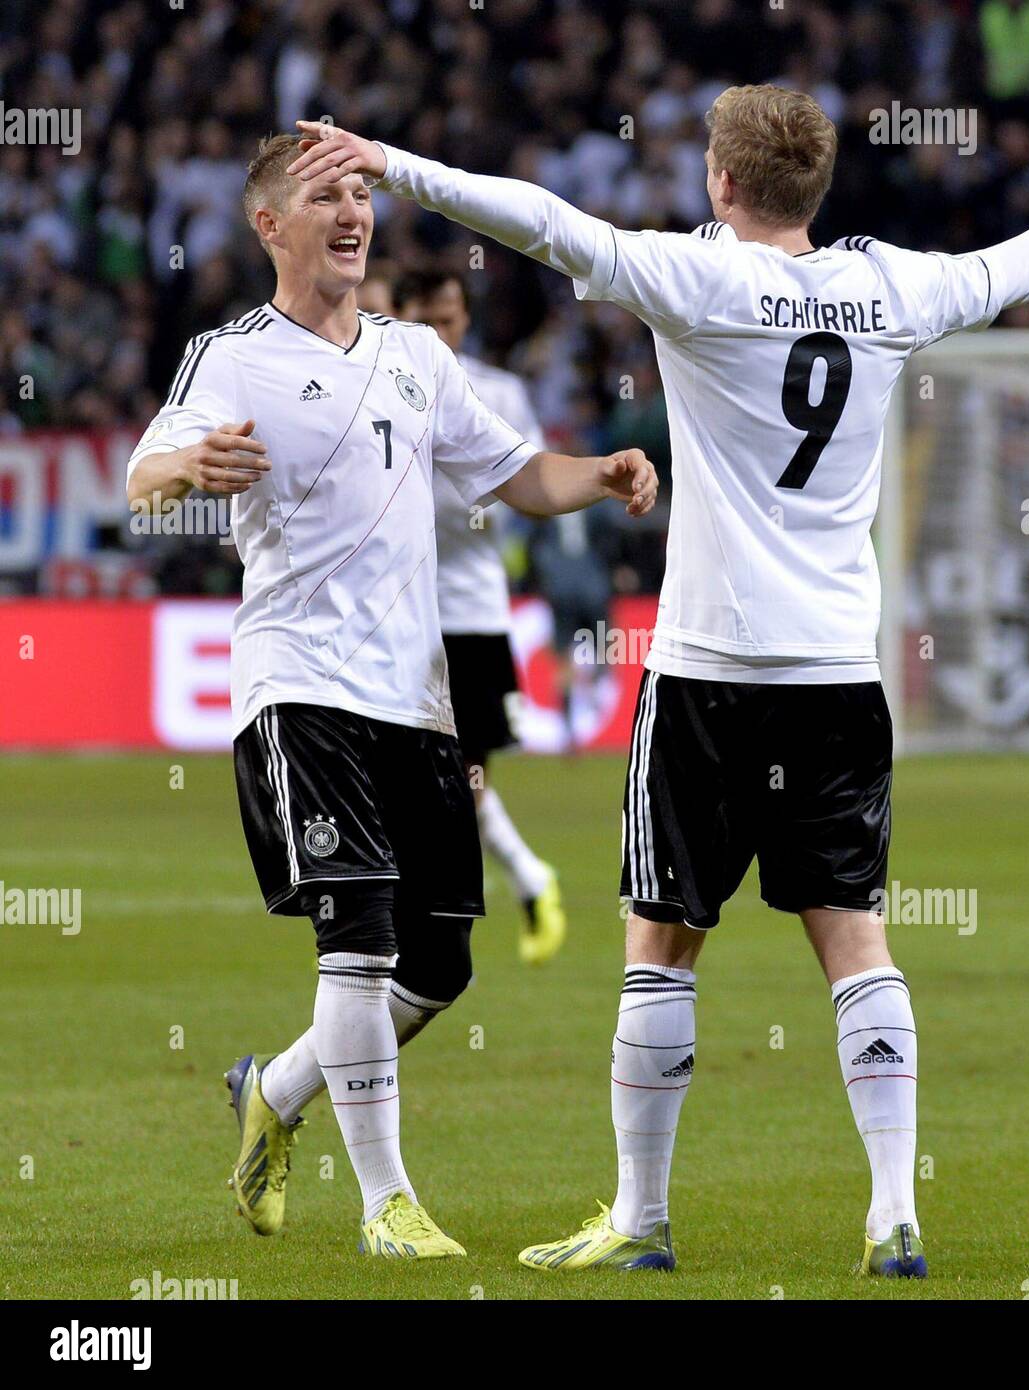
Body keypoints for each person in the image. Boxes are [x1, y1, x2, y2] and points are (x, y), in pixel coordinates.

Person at [286, 89, 1029, 1277]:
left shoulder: (697, 279)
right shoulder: (892, 288)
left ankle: (641, 1217)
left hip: (709, 669)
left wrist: (395, 161)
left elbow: (550, 225)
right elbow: (1022, 262)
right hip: (836, 671)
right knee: (857, 942)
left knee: (660, 944)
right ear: (814, 190)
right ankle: (890, 1212)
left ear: (721, 182)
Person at [125, 133, 656, 1259]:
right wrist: (187, 469)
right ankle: (386, 1206)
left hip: (416, 702)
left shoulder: (419, 355)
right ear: (270, 224)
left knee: (442, 958)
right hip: (298, 685)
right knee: (356, 935)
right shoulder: (232, 356)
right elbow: (143, 473)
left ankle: (271, 1090)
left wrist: (597, 479)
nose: (354, 208)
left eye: (362, 189)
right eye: (326, 193)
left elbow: (518, 476)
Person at [394, 270, 566, 963]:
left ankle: (501, 890)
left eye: (451, 320)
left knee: (463, 776)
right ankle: (512, 883)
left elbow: (516, 488)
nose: (443, 334)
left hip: (470, 614)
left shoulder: (496, 393)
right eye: (427, 321)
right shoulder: (380, 385)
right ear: (400, 317)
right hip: (398, 614)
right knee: (415, 774)